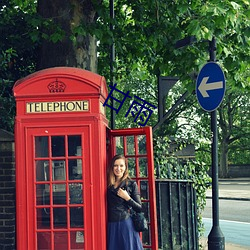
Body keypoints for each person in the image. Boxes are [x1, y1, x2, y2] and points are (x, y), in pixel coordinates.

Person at [107, 154, 144, 250]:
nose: (118, 168)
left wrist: (127, 198)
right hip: (111, 225)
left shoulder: (131, 184)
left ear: (125, 168)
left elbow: (139, 208)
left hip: (125, 224)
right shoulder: (108, 183)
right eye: (115, 165)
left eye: (121, 166)